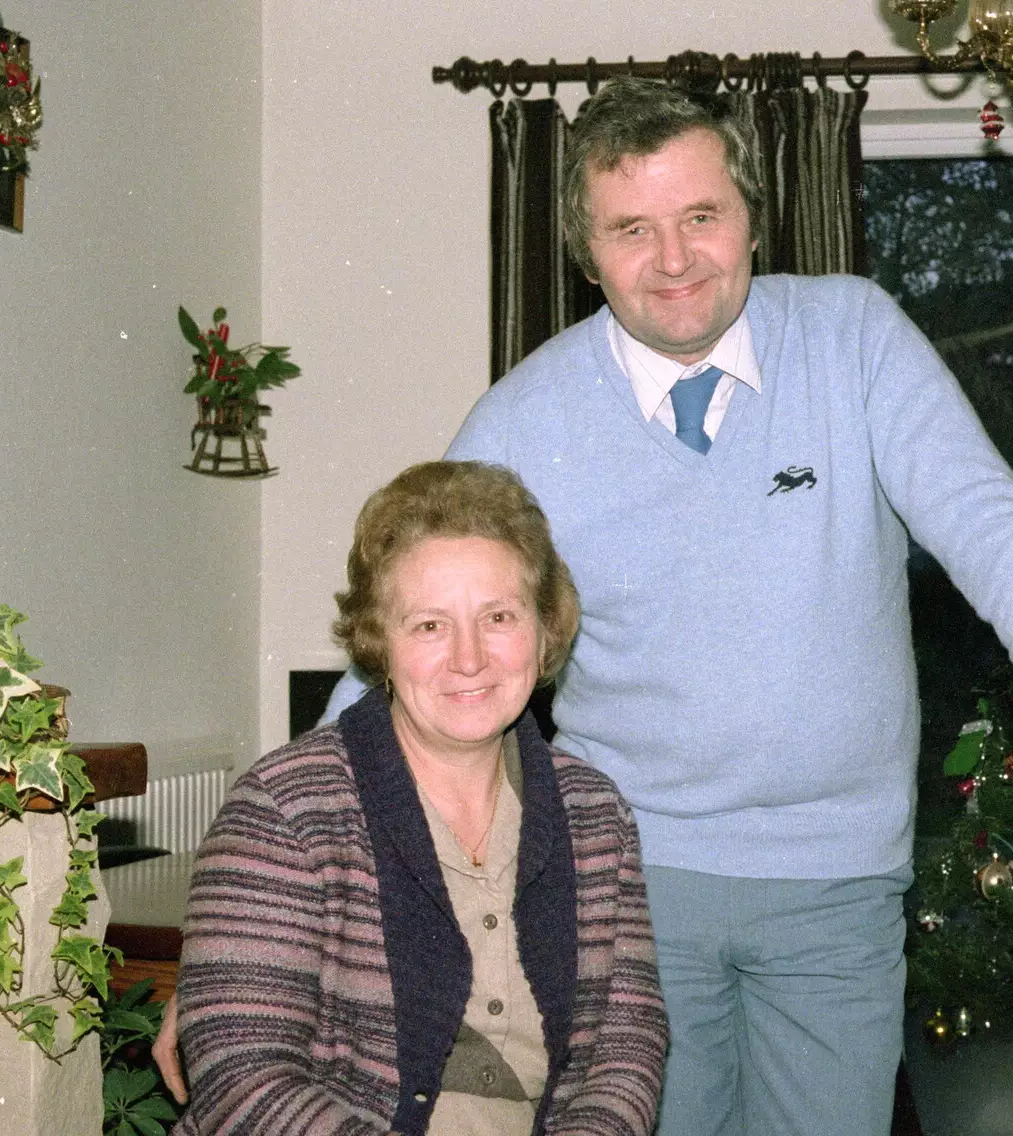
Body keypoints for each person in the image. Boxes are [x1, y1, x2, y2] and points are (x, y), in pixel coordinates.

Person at [265, 78, 1013, 1135]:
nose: (673, 259)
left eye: (701, 216)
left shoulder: (853, 340)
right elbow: (405, 655)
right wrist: (277, 913)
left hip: (836, 881)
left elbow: (999, 542)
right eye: (631, 229)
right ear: (586, 250)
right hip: (624, 887)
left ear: (751, 214)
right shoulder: (525, 418)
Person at [166, 461, 667, 1135]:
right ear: (380, 639)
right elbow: (245, 1078)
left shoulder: (595, 813)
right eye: (430, 625)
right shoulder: (284, 808)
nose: (469, 658)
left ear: (544, 629)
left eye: (498, 616)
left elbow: (626, 1049)